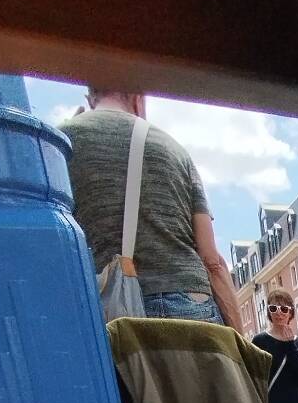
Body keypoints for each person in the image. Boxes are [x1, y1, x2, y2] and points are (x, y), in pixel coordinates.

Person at [60, 89, 241, 329]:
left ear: (90, 98)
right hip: (190, 305)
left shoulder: (62, 142)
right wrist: (241, 348)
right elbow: (212, 260)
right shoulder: (173, 149)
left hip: (109, 313)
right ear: (138, 98)